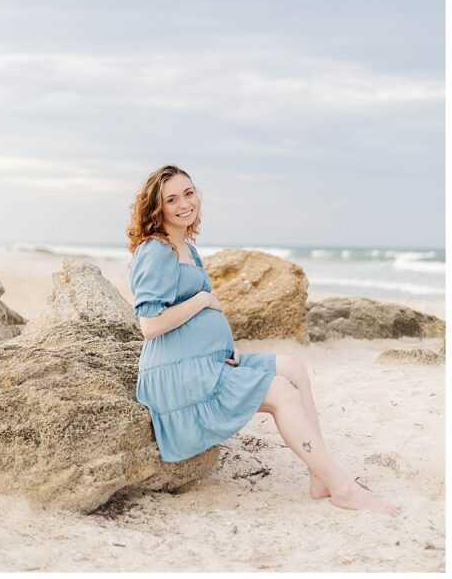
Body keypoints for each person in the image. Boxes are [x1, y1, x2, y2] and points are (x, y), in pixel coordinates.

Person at [127, 164, 400, 516]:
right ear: (156, 207)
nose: (184, 203)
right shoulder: (156, 250)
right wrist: (203, 300)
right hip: (178, 376)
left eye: (189, 193)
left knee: (294, 369)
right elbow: (149, 325)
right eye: (172, 199)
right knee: (281, 392)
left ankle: (319, 478)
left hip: (209, 360)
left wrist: (221, 346)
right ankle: (343, 489)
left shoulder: (187, 250)